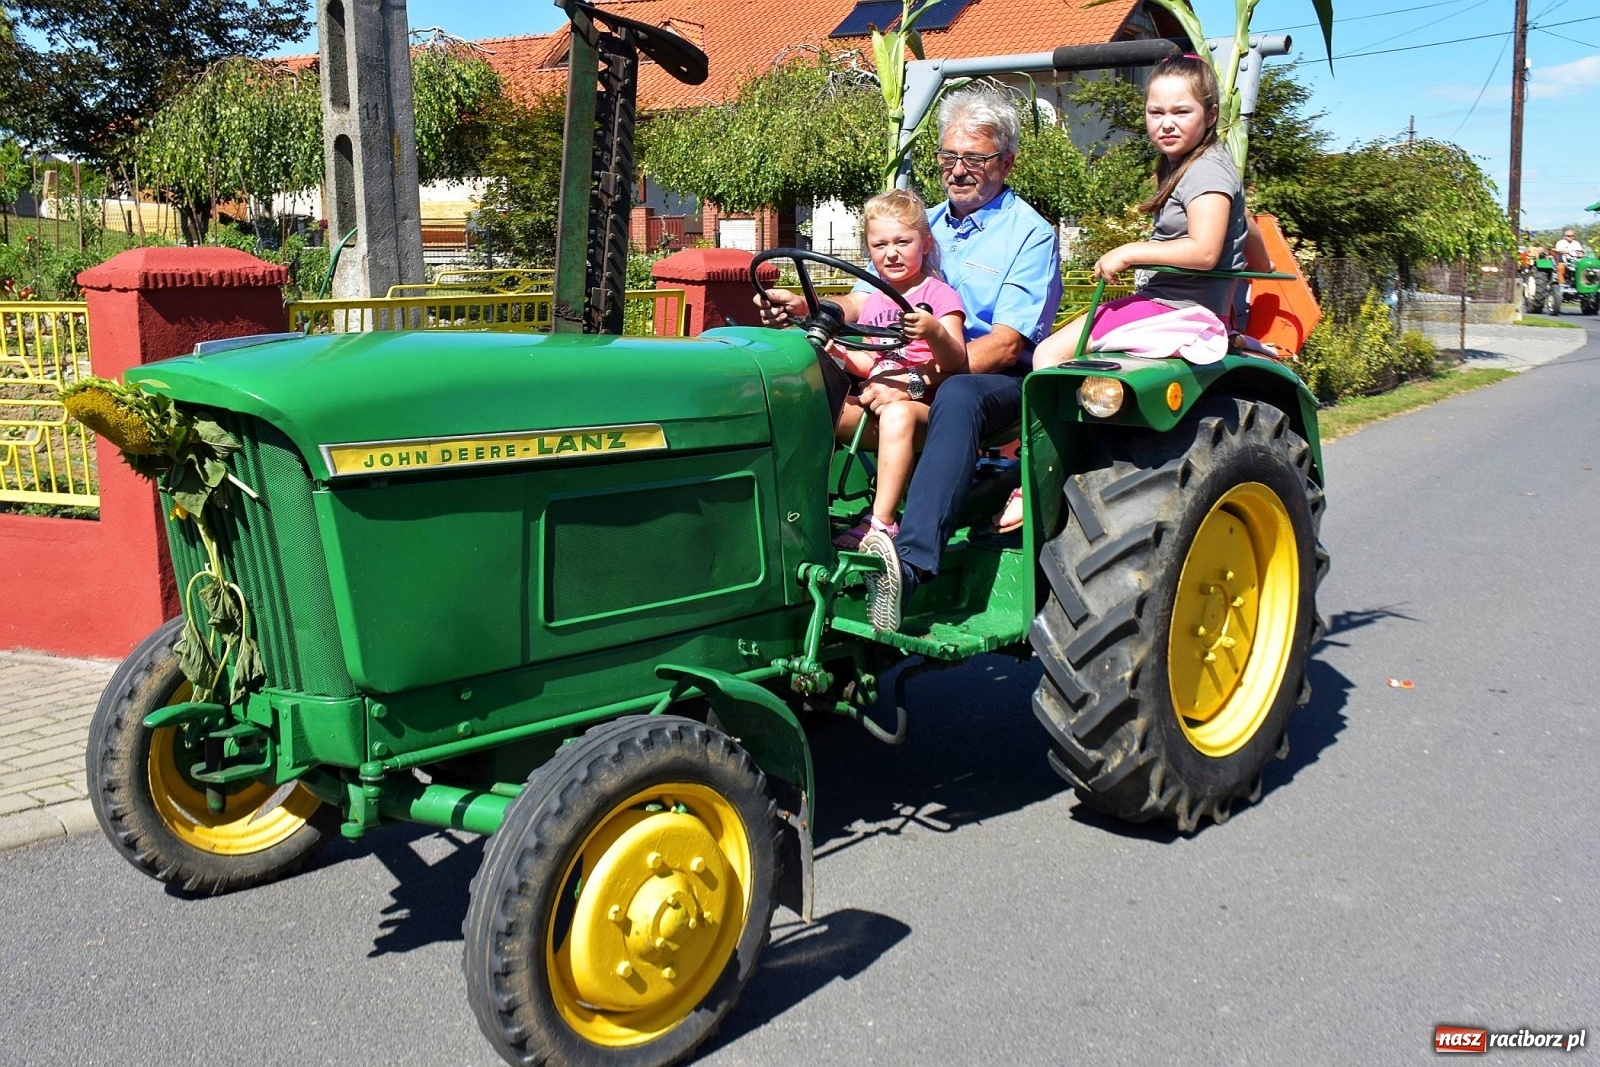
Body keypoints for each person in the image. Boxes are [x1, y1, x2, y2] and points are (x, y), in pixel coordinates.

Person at [758, 87, 1061, 631]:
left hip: (994, 380)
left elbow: (1009, 344)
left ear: (1007, 162)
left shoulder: (1029, 234)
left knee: (960, 393)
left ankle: (912, 563)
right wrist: (810, 306)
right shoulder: (926, 223)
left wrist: (921, 377)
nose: (958, 170)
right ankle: (792, 521)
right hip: (910, 367)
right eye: (949, 157)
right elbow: (873, 298)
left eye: (975, 158)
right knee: (809, 363)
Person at [996, 53, 1268, 532]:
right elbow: (1249, 235)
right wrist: (1244, 290)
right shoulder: (1186, 165)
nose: (1165, 123)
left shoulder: (1206, 171)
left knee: (1049, 358)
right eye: (1155, 112)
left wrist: (1130, 252)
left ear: (1210, 114)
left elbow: (1205, 250)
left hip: (1174, 307)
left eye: (1180, 112)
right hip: (1177, 303)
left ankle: (1036, 481)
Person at [827, 189, 967, 550]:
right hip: (879, 403)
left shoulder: (939, 296)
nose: (891, 253)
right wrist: (838, 353)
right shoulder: (876, 300)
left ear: (925, 243)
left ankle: (882, 522)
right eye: (880, 244)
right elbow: (873, 363)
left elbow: (955, 362)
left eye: (903, 241)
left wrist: (934, 330)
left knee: (898, 415)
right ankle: (809, 505)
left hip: (925, 409)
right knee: (822, 407)